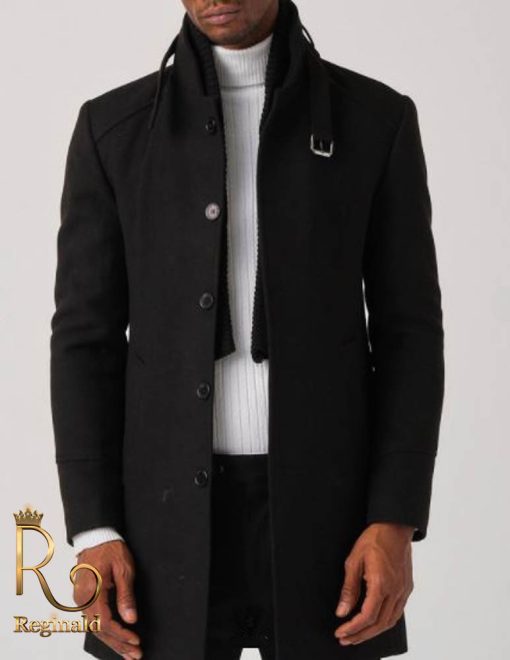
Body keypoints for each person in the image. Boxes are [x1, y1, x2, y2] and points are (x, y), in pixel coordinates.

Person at [50, 0, 445, 658]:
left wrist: (395, 517)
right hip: (158, 531)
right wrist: (94, 529)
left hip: (333, 526)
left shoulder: (376, 121)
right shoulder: (112, 129)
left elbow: (411, 333)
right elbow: (83, 342)